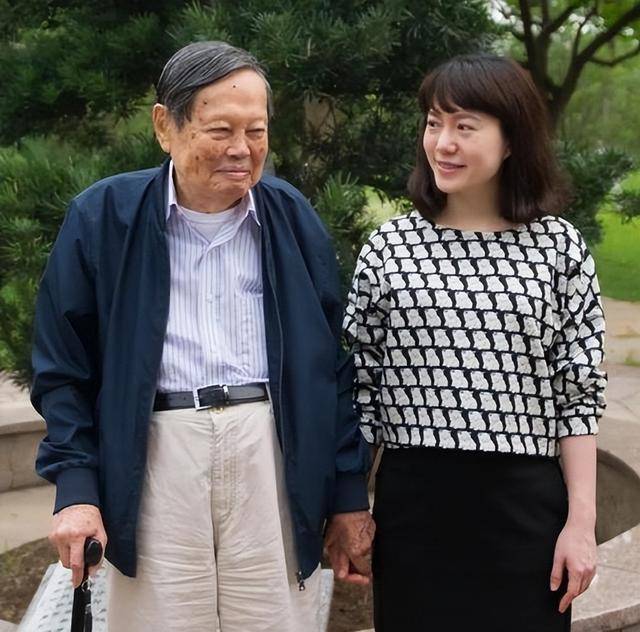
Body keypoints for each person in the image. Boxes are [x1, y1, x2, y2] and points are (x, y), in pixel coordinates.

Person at [31, 40, 374, 632]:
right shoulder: (103, 217)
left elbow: (332, 368)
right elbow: (63, 370)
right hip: (157, 459)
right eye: (221, 130)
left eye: (256, 131)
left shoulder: (290, 218)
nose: (242, 149)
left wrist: (346, 497)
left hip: (269, 455)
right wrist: (77, 489)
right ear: (165, 126)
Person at [344, 54, 606, 632]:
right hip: (413, 511)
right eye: (434, 123)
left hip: (525, 515)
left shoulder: (559, 249)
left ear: (512, 140)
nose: (443, 143)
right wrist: (348, 508)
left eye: (465, 127)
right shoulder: (389, 248)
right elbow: (360, 391)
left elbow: (579, 396)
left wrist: (581, 524)